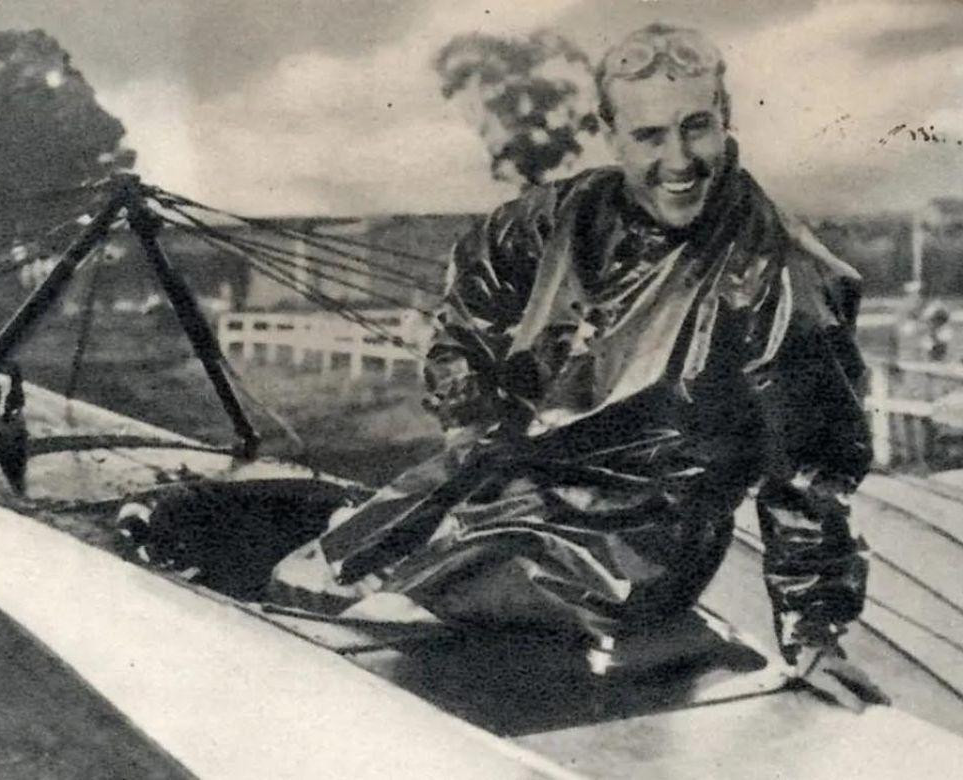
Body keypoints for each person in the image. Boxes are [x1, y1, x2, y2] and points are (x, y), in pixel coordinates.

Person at [267, 23, 886, 710]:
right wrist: (469, 420)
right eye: (649, 135)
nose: (679, 160)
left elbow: (809, 467)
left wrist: (813, 628)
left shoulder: (780, 273)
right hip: (507, 479)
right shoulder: (560, 215)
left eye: (696, 128)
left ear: (726, 120)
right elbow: (468, 311)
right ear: (611, 131)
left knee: (392, 620)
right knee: (305, 580)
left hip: (640, 536)